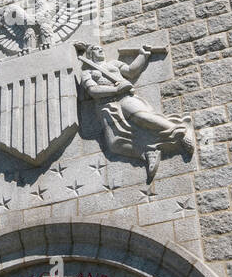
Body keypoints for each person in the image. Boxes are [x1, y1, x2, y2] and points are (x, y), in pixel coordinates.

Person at [76, 43, 194, 182]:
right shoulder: (87, 73)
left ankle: (181, 131)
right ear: (90, 54)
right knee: (114, 144)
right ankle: (147, 152)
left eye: (101, 48)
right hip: (106, 106)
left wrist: (143, 55)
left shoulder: (113, 64)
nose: (100, 49)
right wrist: (116, 90)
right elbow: (93, 91)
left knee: (142, 117)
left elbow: (131, 71)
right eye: (95, 49)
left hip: (125, 98)